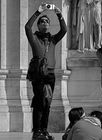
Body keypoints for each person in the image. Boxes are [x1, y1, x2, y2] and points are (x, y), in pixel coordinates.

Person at [25, 3, 67, 140]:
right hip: (38, 74)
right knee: (38, 103)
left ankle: (44, 130)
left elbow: (64, 30)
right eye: (42, 22)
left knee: (47, 103)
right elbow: (27, 27)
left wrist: (59, 14)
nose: (44, 23)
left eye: (46, 22)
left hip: (50, 75)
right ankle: (36, 131)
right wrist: (38, 12)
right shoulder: (34, 38)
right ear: (38, 25)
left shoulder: (52, 40)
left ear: (49, 25)